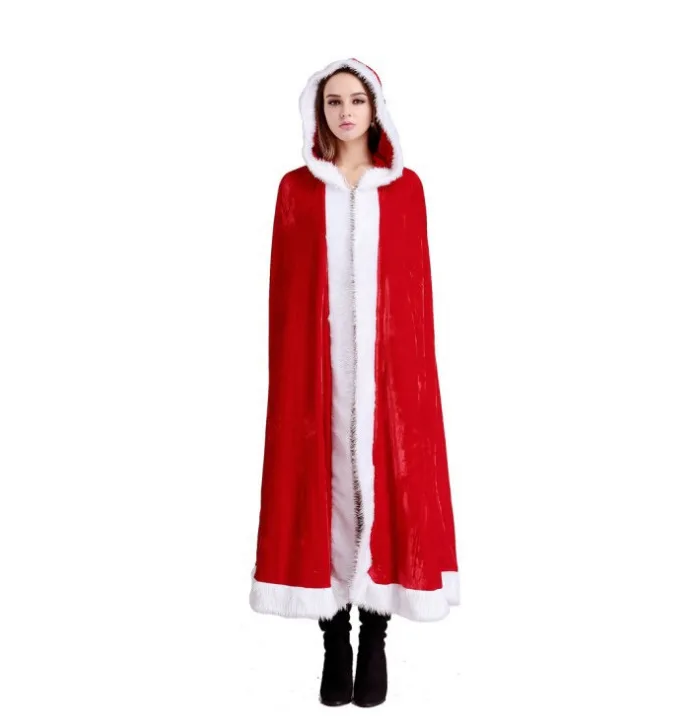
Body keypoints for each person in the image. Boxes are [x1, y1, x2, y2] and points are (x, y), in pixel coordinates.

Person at [249, 57, 460, 707]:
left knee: (387, 491)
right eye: (334, 101)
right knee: (320, 493)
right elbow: (285, 297)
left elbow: (415, 295)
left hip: (391, 376)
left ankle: (375, 634)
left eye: (357, 101)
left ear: (376, 111)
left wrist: (407, 382)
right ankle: (332, 635)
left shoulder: (406, 189)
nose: (345, 112)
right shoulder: (295, 190)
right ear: (319, 111)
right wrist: (295, 378)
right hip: (315, 376)